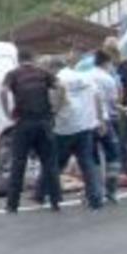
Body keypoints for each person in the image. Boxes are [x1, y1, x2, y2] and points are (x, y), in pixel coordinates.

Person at [35, 53, 104, 210]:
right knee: (87, 162)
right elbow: (97, 97)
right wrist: (99, 119)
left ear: (53, 68)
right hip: (85, 125)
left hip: (64, 127)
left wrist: (51, 115)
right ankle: (96, 197)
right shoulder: (84, 77)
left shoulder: (57, 80)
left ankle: (42, 193)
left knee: (54, 162)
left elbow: (56, 101)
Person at [0, 48, 65, 214]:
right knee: (49, 162)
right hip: (43, 121)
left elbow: (3, 91)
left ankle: (12, 204)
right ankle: (55, 200)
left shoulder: (12, 74)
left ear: (18, 59)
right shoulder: (42, 73)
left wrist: (7, 112)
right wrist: (56, 108)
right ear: (33, 58)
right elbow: (60, 86)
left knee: (19, 163)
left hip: (23, 122)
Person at [105, 37, 127, 186]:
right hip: (115, 109)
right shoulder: (112, 67)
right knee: (117, 142)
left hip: (126, 109)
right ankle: (121, 173)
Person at [92, 49, 122, 204]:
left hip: (87, 123)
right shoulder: (108, 79)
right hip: (104, 120)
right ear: (106, 62)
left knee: (92, 158)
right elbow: (113, 103)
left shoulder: (86, 76)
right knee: (113, 155)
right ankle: (111, 190)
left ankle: (94, 191)